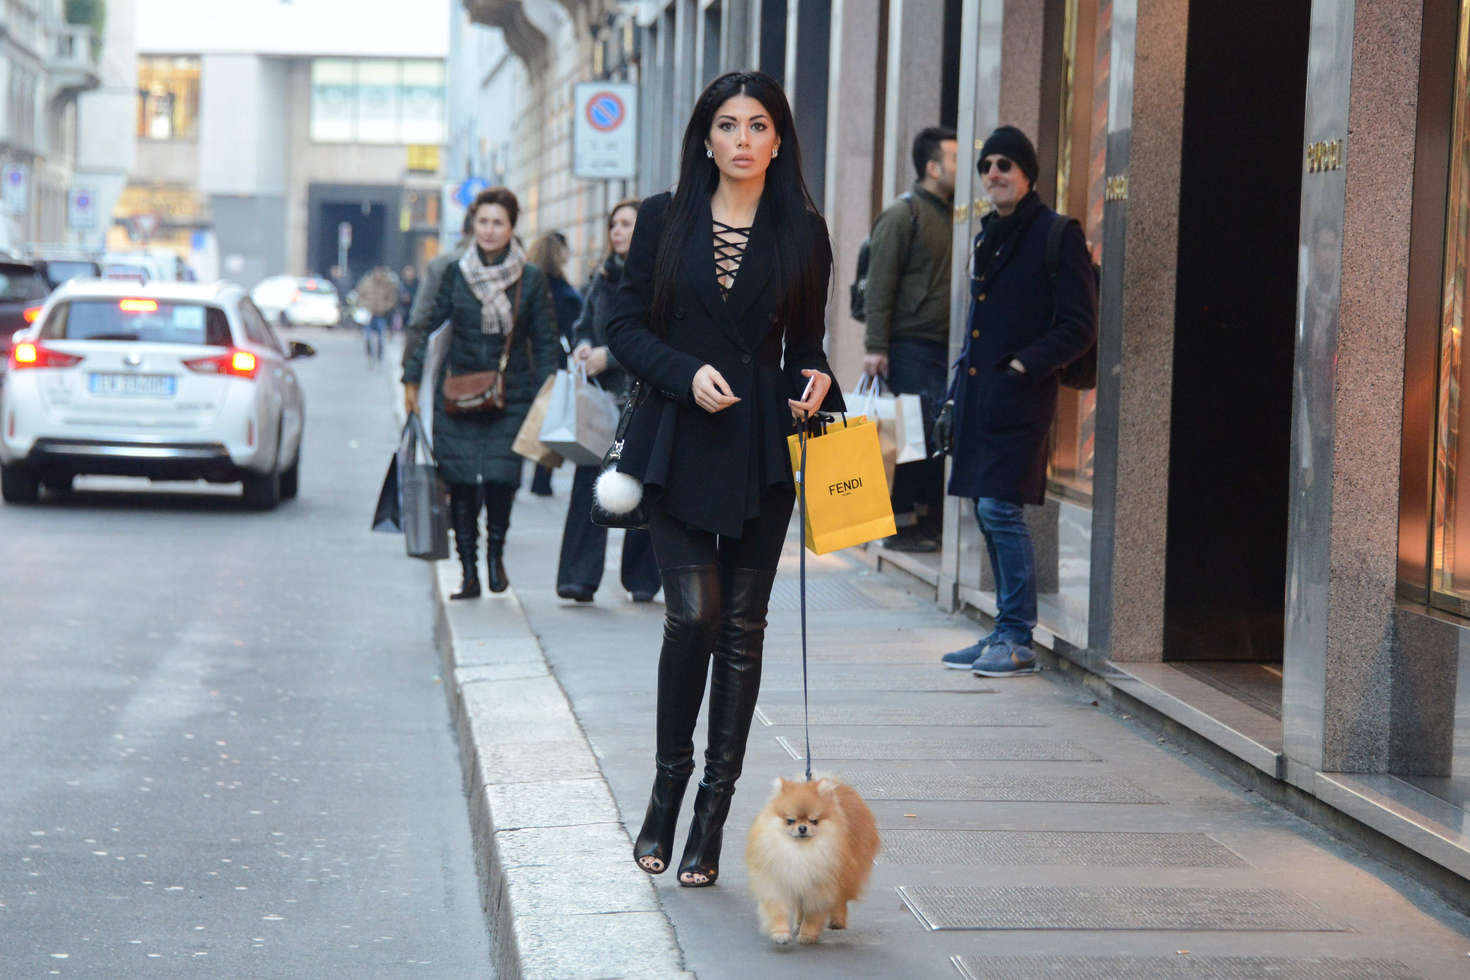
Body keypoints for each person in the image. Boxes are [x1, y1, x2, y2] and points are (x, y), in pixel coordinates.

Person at [606, 70, 843, 888]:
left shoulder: (804, 232)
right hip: (678, 438)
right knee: (694, 614)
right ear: (705, 137)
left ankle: (713, 814)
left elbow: (807, 346)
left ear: (779, 140)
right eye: (728, 124)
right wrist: (683, 372)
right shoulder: (666, 221)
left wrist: (817, 381)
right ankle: (667, 791)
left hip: (760, 448)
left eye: (758, 125)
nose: (742, 139)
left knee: (743, 630)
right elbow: (623, 327)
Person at [938, 126, 1097, 676]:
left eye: (1005, 165)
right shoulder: (990, 234)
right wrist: (958, 392)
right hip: (980, 397)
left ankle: (1017, 636)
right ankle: (1002, 631)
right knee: (986, 510)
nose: (994, 175)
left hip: (1021, 397)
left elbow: (1080, 325)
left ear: (1027, 173)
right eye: (986, 167)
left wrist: (1026, 363)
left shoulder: (1057, 233)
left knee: (1000, 508)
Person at [401, 187, 560, 599]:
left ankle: (495, 556)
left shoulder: (531, 278)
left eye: (498, 223)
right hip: (458, 396)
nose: (489, 231)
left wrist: (550, 391)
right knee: (460, 483)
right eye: (483, 222)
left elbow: (545, 341)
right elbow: (430, 330)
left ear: (511, 228)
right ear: (472, 225)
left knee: (501, 480)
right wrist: (411, 379)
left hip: (513, 395)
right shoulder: (454, 272)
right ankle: (468, 570)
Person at [554, 199, 662, 604]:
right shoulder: (602, 276)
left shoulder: (659, 279)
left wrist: (609, 356)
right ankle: (578, 578)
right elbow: (583, 325)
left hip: (643, 396)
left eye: (628, 224)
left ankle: (642, 579)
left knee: (643, 485)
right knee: (589, 483)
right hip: (600, 402)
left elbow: (659, 336)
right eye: (614, 223)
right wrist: (584, 347)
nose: (618, 231)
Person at [862, 126, 958, 552]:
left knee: (933, 437)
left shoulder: (960, 214)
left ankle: (926, 521)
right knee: (909, 438)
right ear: (933, 167)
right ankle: (902, 525)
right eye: (955, 158)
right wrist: (875, 347)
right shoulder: (904, 215)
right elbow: (880, 285)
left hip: (948, 346)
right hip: (911, 345)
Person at [525, 231, 583, 497]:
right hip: (556, 365)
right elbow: (574, 332)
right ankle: (541, 480)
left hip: (526, 363)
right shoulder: (565, 293)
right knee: (551, 422)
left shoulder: (527, 285)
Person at [354, 265, 400, 362]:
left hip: (381, 314)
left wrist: (385, 307)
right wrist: (364, 306)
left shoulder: (388, 284)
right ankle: (369, 351)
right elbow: (359, 295)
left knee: (381, 336)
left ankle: (380, 353)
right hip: (368, 314)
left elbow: (392, 298)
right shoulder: (366, 282)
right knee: (367, 335)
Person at [397, 264, 419, 331]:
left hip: (416, 312)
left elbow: (421, 297)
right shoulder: (401, 285)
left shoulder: (418, 284)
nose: (409, 275)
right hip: (405, 314)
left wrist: (411, 298)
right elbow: (396, 298)